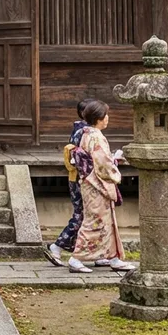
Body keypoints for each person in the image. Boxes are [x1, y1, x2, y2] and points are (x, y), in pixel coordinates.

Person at [68, 100, 135, 274]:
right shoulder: (96, 137)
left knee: (107, 221)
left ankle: (113, 257)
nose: (107, 118)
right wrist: (115, 169)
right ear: (98, 118)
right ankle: (76, 258)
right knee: (94, 222)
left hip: (91, 182)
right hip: (96, 185)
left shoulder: (86, 133)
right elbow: (103, 164)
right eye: (105, 115)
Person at [44, 98, 95, 268]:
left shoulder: (81, 130)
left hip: (79, 177)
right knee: (82, 215)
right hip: (82, 178)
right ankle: (57, 246)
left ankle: (98, 253)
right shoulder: (84, 132)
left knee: (86, 215)